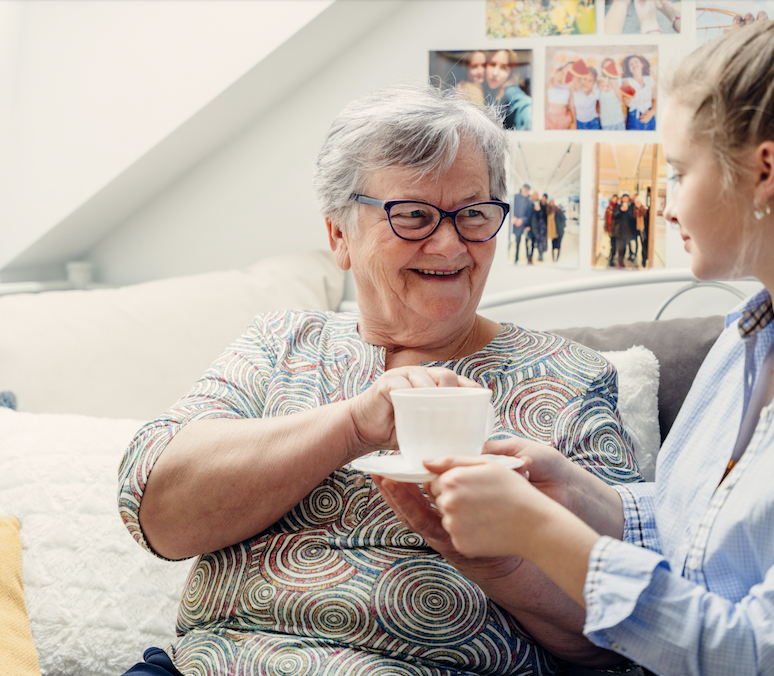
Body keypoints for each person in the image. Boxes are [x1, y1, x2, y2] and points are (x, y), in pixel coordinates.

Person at [390, 2, 774, 674]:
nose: (668, 200)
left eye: (681, 172)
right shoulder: (749, 343)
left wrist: (540, 532)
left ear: (765, 172)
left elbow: (757, 655)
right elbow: (708, 529)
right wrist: (574, 494)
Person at [117, 84, 641, 675]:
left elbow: (624, 629)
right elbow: (154, 508)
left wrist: (500, 563)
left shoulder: (567, 378)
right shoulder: (281, 345)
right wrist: (353, 425)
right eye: (414, 215)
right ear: (340, 236)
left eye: (472, 214)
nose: (449, 244)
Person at [485, 49, 532, 131]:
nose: (495, 73)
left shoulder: (511, 91)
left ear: (510, 73)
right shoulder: (489, 90)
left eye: (503, 68)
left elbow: (524, 104)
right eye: (492, 64)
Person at [622, 54, 656, 130]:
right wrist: (627, 100)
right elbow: (627, 100)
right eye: (631, 64)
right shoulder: (627, 81)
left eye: (636, 62)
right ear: (629, 69)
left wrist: (652, 112)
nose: (634, 65)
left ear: (642, 64)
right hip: (634, 119)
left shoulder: (650, 79)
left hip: (650, 117)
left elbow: (655, 98)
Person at [568, 61, 601, 130]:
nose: (586, 83)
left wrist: (600, 113)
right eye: (584, 79)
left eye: (590, 81)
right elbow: (572, 106)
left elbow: (602, 101)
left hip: (594, 122)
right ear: (580, 79)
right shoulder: (575, 92)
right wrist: (574, 122)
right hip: (579, 123)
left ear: (593, 83)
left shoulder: (596, 92)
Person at [597, 60, 627, 131]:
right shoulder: (601, 80)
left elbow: (621, 100)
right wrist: (604, 84)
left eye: (611, 66)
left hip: (618, 120)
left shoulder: (619, 80)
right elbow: (602, 87)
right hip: (605, 122)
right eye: (606, 67)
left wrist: (614, 82)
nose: (609, 69)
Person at [611, 193, 635, 268]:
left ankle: (622, 260)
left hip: (627, 231)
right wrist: (621, 210)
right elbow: (614, 216)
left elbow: (632, 217)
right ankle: (620, 262)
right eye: (623, 198)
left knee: (624, 248)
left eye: (626, 198)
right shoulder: (617, 206)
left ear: (628, 199)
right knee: (620, 247)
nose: (625, 199)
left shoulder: (631, 207)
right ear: (622, 199)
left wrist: (627, 210)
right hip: (619, 230)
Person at [511, 182, 532, 263]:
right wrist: (513, 216)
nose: (526, 191)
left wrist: (522, 220)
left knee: (518, 242)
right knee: (509, 241)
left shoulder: (529, 202)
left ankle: (516, 259)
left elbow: (528, 215)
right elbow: (510, 207)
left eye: (527, 190)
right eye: (525, 189)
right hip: (512, 222)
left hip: (521, 225)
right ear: (522, 189)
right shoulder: (515, 197)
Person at [604, 194, 618, 265]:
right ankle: (611, 259)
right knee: (611, 244)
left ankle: (612, 256)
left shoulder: (618, 207)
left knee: (614, 245)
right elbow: (606, 219)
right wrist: (605, 228)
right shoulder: (608, 207)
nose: (615, 200)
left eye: (616, 199)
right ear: (612, 199)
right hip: (610, 229)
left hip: (616, 229)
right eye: (614, 198)